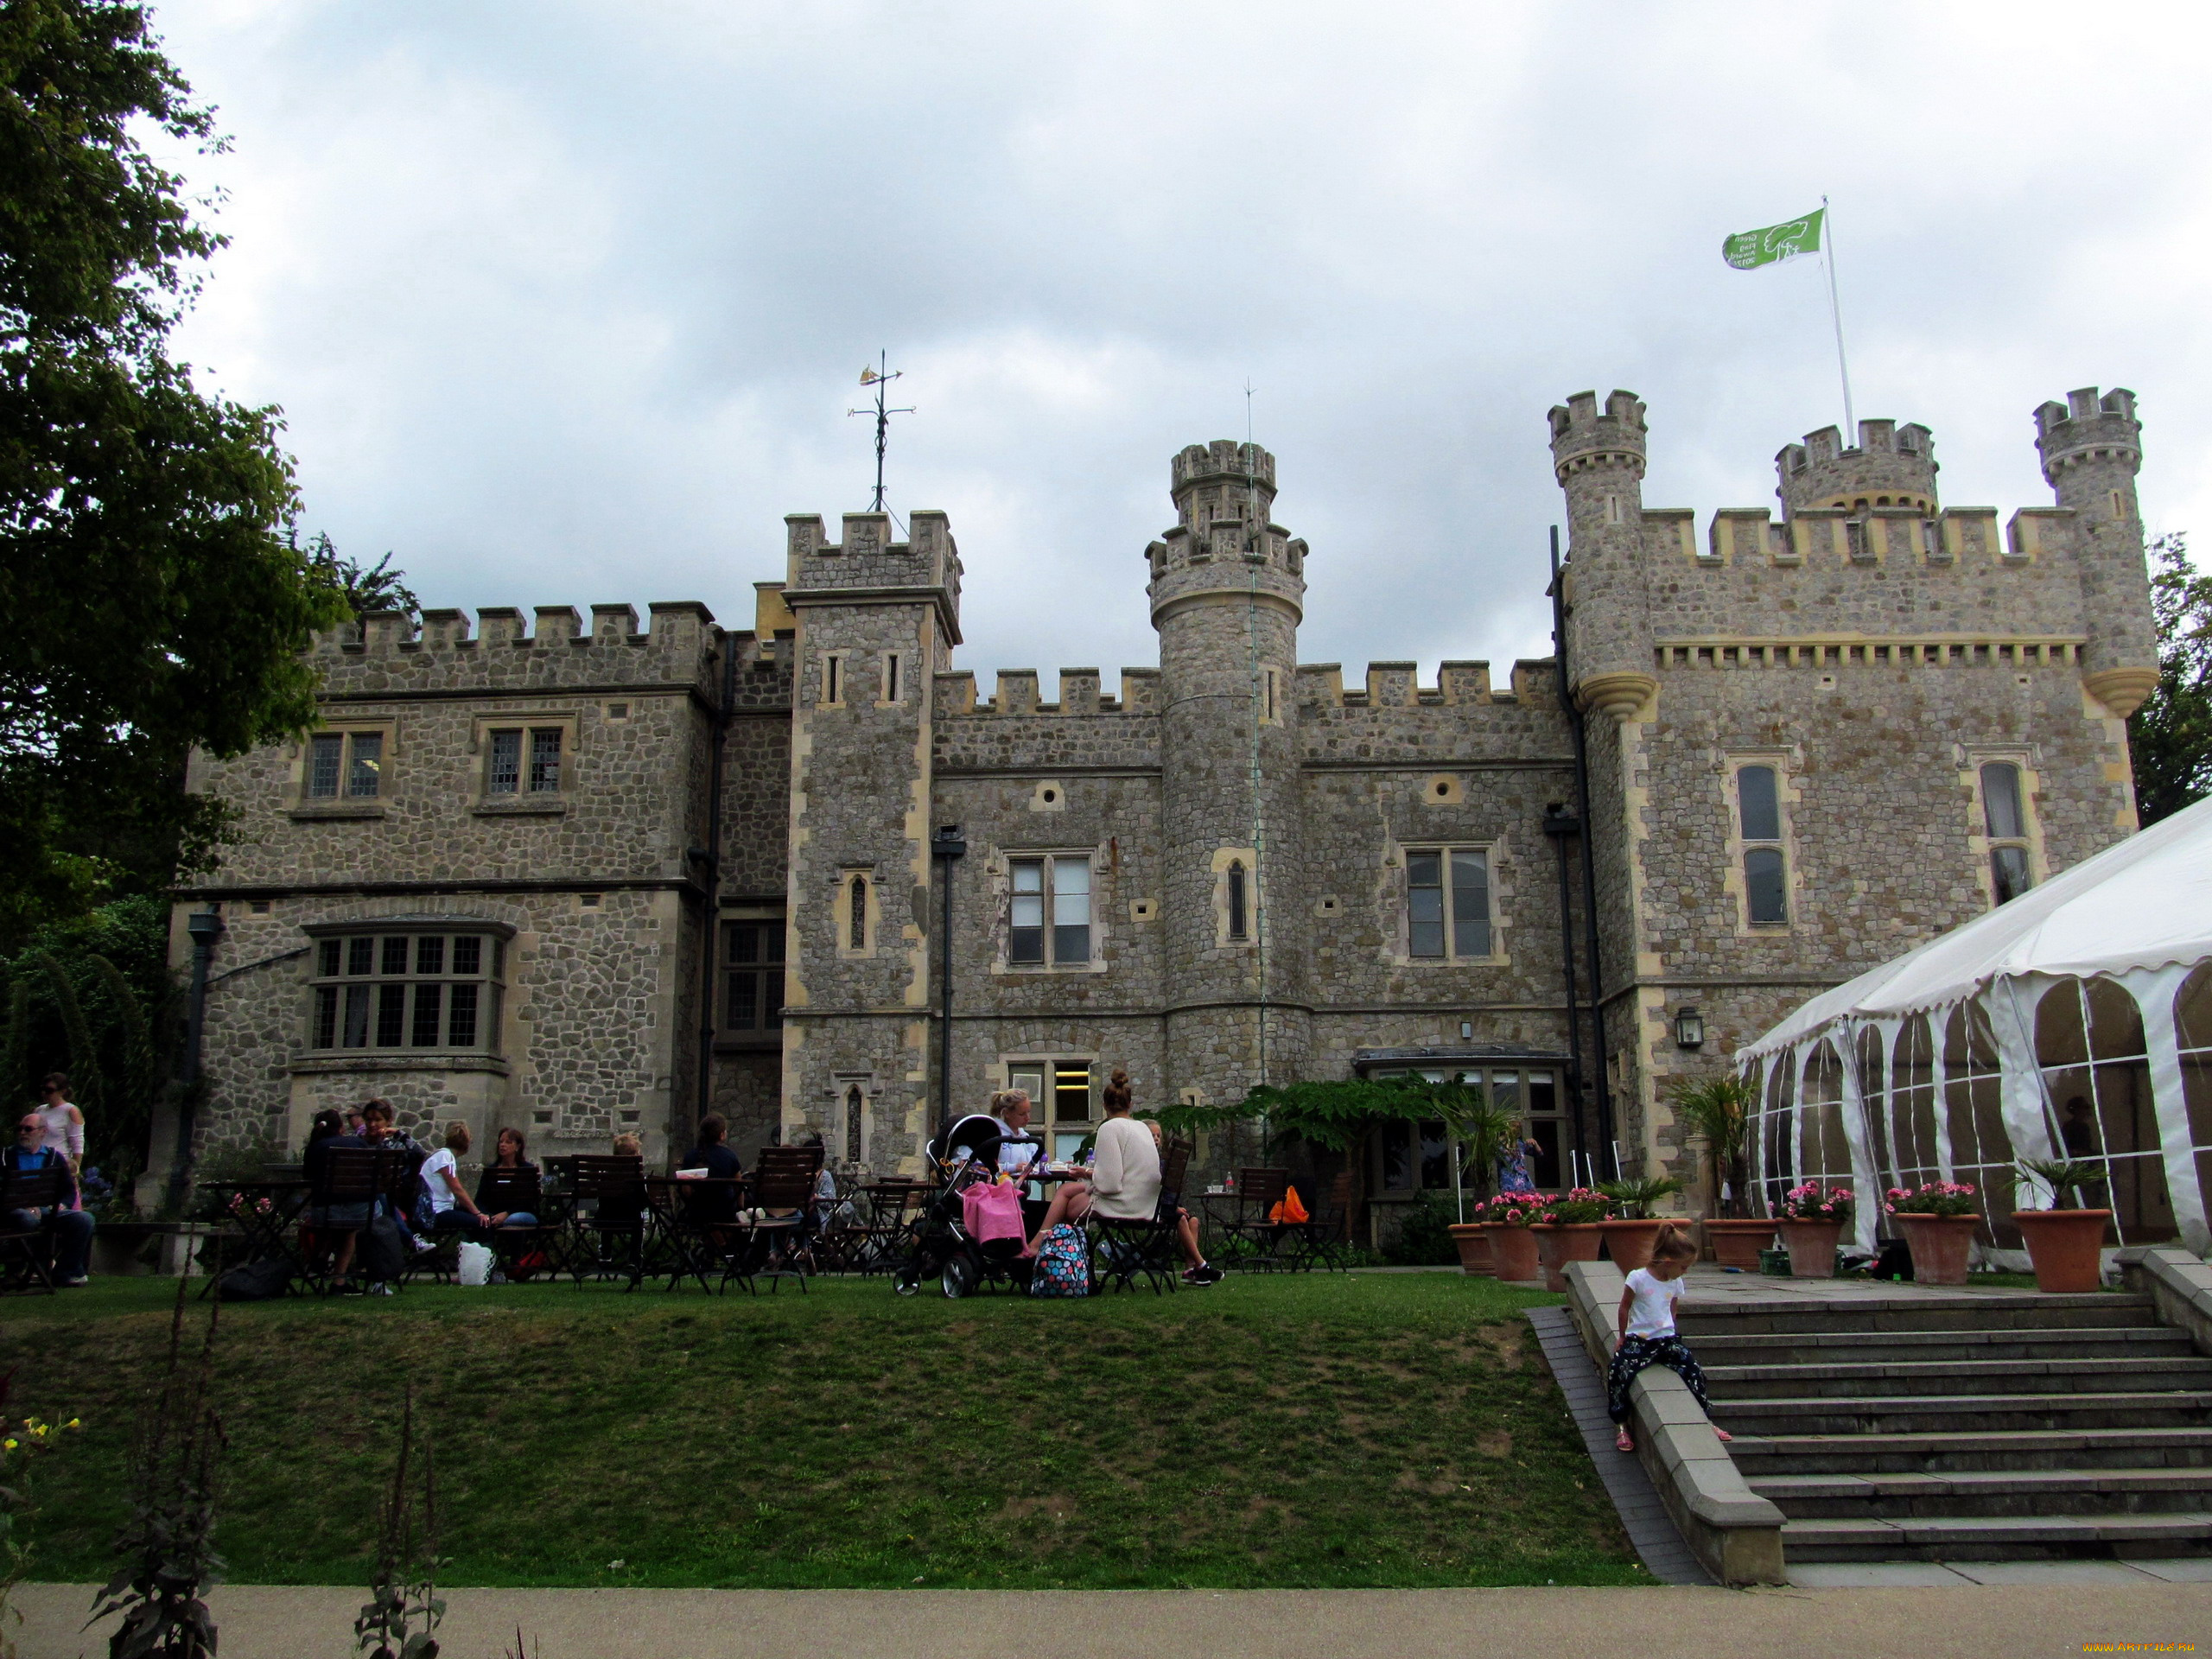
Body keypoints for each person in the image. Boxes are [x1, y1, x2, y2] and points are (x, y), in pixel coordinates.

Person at [1027, 1072, 1222, 1287]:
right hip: (1146, 1202)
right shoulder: (1142, 1128)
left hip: (1124, 1204)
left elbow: (1110, 1184)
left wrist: (1086, 1174)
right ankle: (1047, 1250)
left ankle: (1053, 1258)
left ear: (1104, 1105)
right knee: (1066, 1192)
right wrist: (1087, 1175)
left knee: (1066, 1207)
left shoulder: (1110, 1128)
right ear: (1130, 1104)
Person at [1608, 1224, 1730, 1453]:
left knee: (1694, 1371)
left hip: (1666, 1340)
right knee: (1618, 1371)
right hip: (1640, 1340)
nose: (1685, 1272)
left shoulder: (1675, 1281)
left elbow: (1673, 1308)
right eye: (1683, 1267)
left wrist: (1670, 1331)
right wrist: (1623, 1336)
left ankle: (1706, 1419)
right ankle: (1621, 1424)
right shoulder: (1638, 1278)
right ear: (1667, 1262)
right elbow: (1624, 1307)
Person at [4, 1112, 93, 1287]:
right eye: (20, 1129)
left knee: (84, 1220)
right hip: (15, 1212)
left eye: (28, 1129)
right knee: (27, 1219)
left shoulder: (54, 1157)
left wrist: (62, 1205)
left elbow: (68, 1190)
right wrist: (22, 1205)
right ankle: (19, 1269)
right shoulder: (6, 1157)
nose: (23, 1132)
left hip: (46, 1211)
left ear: (43, 1132)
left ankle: (63, 1272)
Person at [302, 1106, 370, 1281]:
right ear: (341, 1128)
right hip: (360, 1212)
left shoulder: (315, 1148)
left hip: (324, 1212)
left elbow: (308, 1177)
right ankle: (338, 1281)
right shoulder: (359, 1143)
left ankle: (321, 1257)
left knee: (334, 1220)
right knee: (348, 1228)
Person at [419, 1122, 505, 1239]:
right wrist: (478, 1213)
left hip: (443, 1208)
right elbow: (457, 1189)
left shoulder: (444, 1155)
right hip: (436, 1212)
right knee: (482, 1223)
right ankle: (482, 1253)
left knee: (486, 1218)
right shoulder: (445, 1157)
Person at [683, 1114, 743, 1224]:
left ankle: (715, 1240)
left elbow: (686, 1191)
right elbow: (738, 1187)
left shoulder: (690, 1156)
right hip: (725, 1211)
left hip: (698, 1212)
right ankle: (720, 1241)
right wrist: (740, 1207)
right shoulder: (730, 1156)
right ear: (721, 1135)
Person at [474, 1128, 541, 1227]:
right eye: (501, 1142)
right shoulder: (491, 1170)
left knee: (513, 1219)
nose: (503, 1145)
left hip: (520, 1213)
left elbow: (529, 1202)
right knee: (474, 1219)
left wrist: (507, 1213)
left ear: (517, 1147)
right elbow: (480, 1199)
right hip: (493, 1213)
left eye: (508, 1142)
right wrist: (485, 1215)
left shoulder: (526, 1170)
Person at [35, 1075, 86, 1197]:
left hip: (59, 1161)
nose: (45, 1093)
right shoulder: (39, 1110)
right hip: (39, 1161)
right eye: (43, 1089)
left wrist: (75, 1169)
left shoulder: (70, 1110)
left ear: (62, 1091)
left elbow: (77, 1142)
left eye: (49, 1090)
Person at [1497, 1130, 1541, 1194]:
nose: (1516, 1130)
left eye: (1518, 1128)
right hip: (1509, 1180)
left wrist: (1535, 1143)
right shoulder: (1500, 1145)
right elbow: (1508, 1160)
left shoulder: (1520, 1144)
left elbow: (1539, 1154)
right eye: (1513, 1126)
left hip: (1523, 1180)